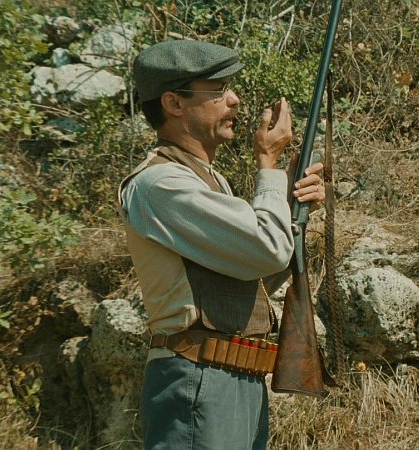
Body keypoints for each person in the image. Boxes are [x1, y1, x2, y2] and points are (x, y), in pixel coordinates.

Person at [118, 39, 324, 449]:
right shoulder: (161, 183)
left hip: (232, 380)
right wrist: (268, 167)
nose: (234, 100)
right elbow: (267, 251)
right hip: (198, 379)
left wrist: (293, 208)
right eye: (218, 90)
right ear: (174, 103)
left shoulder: (207, 180)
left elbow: (256, 273)